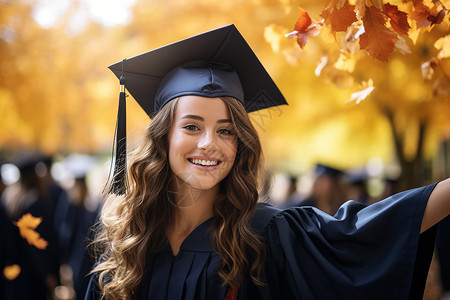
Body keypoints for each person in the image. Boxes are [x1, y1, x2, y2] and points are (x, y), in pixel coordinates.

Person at [85, 24, 450, 300]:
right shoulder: (129, 238)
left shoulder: (267, 235)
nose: (209, 143)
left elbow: (360, 234)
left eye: (226, 131)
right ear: (164, 136)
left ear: (240, 144)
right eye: (192, 126)